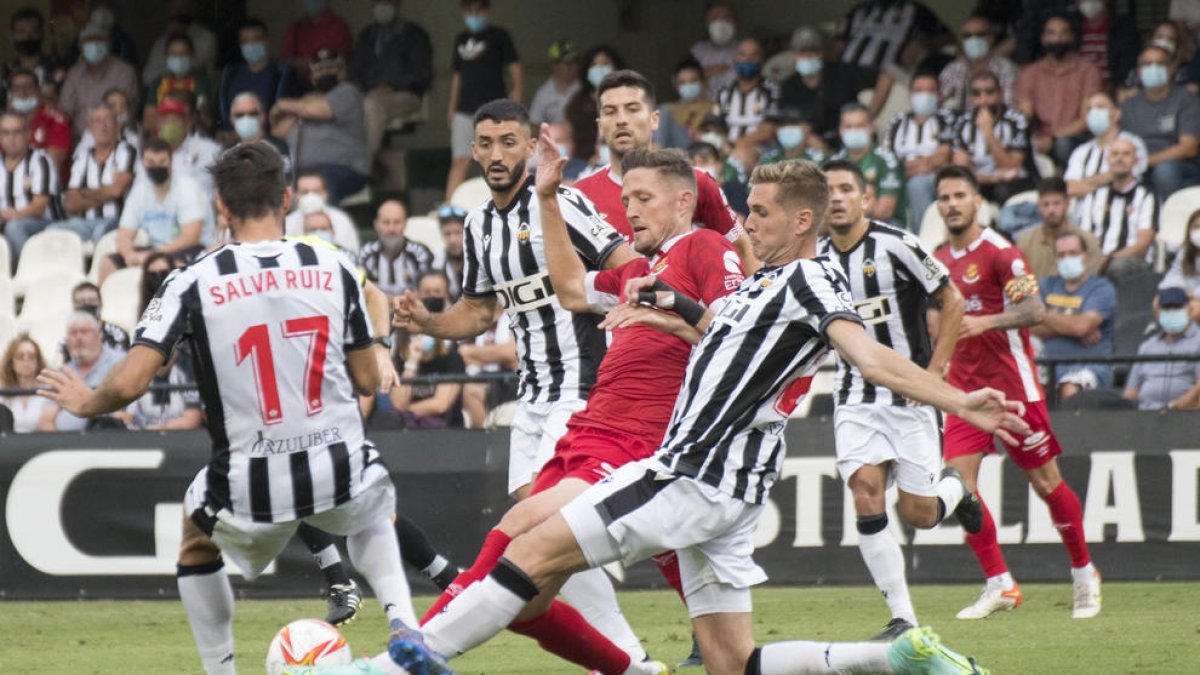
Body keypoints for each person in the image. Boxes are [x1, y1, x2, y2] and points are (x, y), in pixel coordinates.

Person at [392, 158, 1024, 675]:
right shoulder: (765, 282)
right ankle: (894, 661)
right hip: (727, 491)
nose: (746, 222)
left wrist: (959, 400)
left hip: (690, 471)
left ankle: (409, 661)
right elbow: (728, 333)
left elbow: (869, 355)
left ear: (803, 220)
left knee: (531, 548)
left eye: (761, 212)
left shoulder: (811, 281)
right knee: (730, 661)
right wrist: (673, 309)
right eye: (748, 208)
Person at [37, 142, 417, 675]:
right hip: (337, 458)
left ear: (220, 206)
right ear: (286, 197)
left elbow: (132, 381)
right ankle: (405, 624)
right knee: (368, 504)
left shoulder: (191, 281)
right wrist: (380, 340)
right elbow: (365, 379)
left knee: (195, 542)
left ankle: (221, 671)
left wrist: (88, 398)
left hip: (249, 477)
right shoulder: (332, 266)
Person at [392, 99, 656, 669]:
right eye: (485, 143)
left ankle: (430, 638)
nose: (495, 154)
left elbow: (628, 260)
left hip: (585, 390)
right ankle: (628, 660)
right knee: (546, 541)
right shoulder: (478, 223)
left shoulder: (562, 203)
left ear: (531, 147)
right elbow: (478, 314)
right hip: (532, 397)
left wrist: (635, 309)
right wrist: (429, 323)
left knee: (537, 528)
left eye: (508, 142)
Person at [818, 159, 979, 640]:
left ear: (865, 198)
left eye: (848, 188)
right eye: (829, 192)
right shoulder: (817, 262)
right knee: (865, 491)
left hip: (910, 399)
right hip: (853, 397)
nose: (839, 198)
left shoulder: (898, 244)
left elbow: (951, 298)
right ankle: (903, 618)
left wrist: (936, 371)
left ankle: (956, 491)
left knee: (920, 514)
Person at [932, 165, 1100, 621]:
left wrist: (985, 321)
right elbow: (936, 318)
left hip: (1013, 388)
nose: (951, 204)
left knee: (1046, 483)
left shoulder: (1002, 253)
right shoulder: (938, 259)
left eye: (959, 196)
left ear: (976, 201)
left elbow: (1034, 308)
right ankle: (999, 583)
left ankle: (1084, 572)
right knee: (960, 487)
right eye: (944, 197)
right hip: (964, 393)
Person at [572, 70, 752, 266]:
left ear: (654, 119)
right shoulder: (579, 197)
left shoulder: (696, 182)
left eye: (632, 109)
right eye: (610, 111)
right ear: (600, 126)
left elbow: (743, 249)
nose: (621, 120)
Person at [99, 138, 209, 282]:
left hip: (187, 249)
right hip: (151, 250)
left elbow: (191, 236)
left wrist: (154, 254)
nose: (156, 166)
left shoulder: (187, 188)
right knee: (108, 263)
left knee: (161, 265)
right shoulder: (139, 191)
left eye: (162, 161)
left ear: (171, 162)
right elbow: (124, 234)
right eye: (151, 162)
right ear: (143, 163)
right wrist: (128, 255)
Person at [446, 0, 522, 202]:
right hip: (464, 109)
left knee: (495, 156)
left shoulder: (499, 36)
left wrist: (517, 97)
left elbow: (515, 69)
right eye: (469, 10)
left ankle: (504, 200)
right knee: (460, 160)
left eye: (478, 10)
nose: (473, 14)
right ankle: (448, 207)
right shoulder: (460, 39)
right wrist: (452, 108)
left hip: (493, 111)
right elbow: (457, 76)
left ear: (487, 10)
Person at [271, 48, 369, 205]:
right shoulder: (305, 103)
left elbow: (322, 110)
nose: (325, 72)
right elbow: (279, 130)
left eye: (330, 67)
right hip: (302, 172)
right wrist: (299, 108)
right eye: (319, 70)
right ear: (313, 77)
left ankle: (325, 228)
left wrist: (283, 104)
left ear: (343, 72)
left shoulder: (348, 92)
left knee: (320, 184)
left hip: (343, 169)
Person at [1030, 231, 1117, 401]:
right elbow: (1028, 326)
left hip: (1090, 367)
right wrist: (1069, 326)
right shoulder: (1047, 284)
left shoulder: (1101, 288)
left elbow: (1081, 326)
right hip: (1046, 366)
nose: (1067, 259)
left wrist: (1044, 316)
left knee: (1070, 387)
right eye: (1061, 255)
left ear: (1085, 256)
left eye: (1073, 253)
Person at [778, 26, 891, 145]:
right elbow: (789, 122)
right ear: (793, 55)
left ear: (822, 53)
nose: (807, 56)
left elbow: (885, 78)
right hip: (811, 144)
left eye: (812, 51)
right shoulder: (789, 86)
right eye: (802, 52)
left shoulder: (842, 73)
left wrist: (870, 114)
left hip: (849, 139)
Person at [350, 0, 433, 161]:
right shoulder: (366, 36)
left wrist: (390, 86)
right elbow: (354, 71)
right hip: (368, 94)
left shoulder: (414, 34)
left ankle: (362, 167)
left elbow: (422, 74)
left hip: (405, 95)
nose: (382, 6)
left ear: (396, 4)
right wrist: (361, 88)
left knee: (371, 106)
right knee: (345, 104)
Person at [1015, 14, 1102, 167]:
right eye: (1052, 33)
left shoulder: (1088, 71)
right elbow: (1025, 116)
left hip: (1075, 139)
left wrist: (1053, 138)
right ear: (1043, 38)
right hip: (1040, 139)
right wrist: (1036, 138)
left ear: (1072, 37)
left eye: (1063, 33)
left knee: (1063, 144)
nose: (1057, 39)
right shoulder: (1030, 73)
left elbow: (1086, 120)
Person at [383, 271, 466, 430]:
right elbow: (398, 403)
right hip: (411, 433)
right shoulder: (403, 357)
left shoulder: (452, 357)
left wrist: (406, 413)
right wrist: (411, 363)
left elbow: (440, 405)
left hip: (447, 434)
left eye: (437, 293)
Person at [1120, 45, 1200, 202]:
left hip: (1179, 167)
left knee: (1165, 170)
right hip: (1139, 166)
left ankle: (1169, 221)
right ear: (1139, 71)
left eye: (1159, 63)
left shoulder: (1186, 100)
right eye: (1147, 64)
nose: (1153, 68)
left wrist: (1147, 161)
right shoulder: (1129, 105)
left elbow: (1188, 147)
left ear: (1170, 69)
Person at [48, 104, 135, 244]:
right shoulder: (82, 157)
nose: (103, 126)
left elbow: (117, 191)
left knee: (100, 234)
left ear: (117, 126)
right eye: (98, 121)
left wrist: (84, 192)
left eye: (108, 120)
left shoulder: (127, 151)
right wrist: (107, 193)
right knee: (52, 231)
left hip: (118, 220)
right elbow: (71, 203)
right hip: (86, 223)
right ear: (90, 128)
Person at [949, 70, 1035, 204]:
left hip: (1016, 183)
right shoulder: (962, 123)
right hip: (980, 182)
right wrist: (990, 179)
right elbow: (962, 171)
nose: (983, 99)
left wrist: (988, 133)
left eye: (989, 92)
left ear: (1000, 94)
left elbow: (1009, 166)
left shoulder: (1017, 121)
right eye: (977, 94)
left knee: (1001, 191)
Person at [1076, 137, 1157, 278]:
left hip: (1131, 262)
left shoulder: (1146, 197)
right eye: (1115, 154)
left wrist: (1108, 259)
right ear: (1108, 160)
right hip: (1096, 260)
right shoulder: (1094, 196)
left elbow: (1142, 245)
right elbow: (1084, 238)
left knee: (1116, 268)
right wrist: (1095, 260)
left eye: (1126, 154)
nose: (1119, 158)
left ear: (1135, 160)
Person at [884, 71, 955, 228]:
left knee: (917, 185)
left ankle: (922, 240)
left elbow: (943, 157)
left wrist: (910, 166)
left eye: (930, 90)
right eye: (919, 90)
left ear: (939, 95)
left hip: (936, 178)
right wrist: (924, 163)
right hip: (901, 177)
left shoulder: (947, 117)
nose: (924, 95)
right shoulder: (897, 122)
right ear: (910, 94)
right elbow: (888, 160)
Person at [38, 311, 124, 432]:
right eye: (73, 333)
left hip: (108, 439)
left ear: (98, 335)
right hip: (66, 445)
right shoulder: (62, 373)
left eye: (84, 332)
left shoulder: (120, 363)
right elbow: (45, 421)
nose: (78, 337)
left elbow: (126, 415)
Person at [1063, 92, 1149, 209]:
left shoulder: (1133, 143)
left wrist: (1084, 184)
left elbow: (1125, 175)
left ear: (1116, 114)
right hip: (1083, 218)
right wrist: (1104, 182)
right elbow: (1069, 188)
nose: (1094, 112)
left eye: (1100, 107)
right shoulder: (1081, 151)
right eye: (1089, 109)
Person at [217, 18, 301, 136]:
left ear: (266, 41)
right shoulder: (230, 74)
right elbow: (222, 113)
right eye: (245, 41)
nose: (250, 45)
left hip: (271, 141)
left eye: (256, 39)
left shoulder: (282, 73)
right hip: (233, 142)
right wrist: (225, 131)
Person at [1123, 286, 1200, 410]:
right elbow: (1131, 392)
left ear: (1189, 309)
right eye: (1167, 308)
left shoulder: (1198, 342)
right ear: (1157, 313)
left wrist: (1172, 407)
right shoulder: (1147, 346)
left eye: (1177, 307)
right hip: (1144, 416)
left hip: (1185, 417)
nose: (1172, 312)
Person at [831, 103, 907, 226]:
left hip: (885, 226)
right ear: (840, 130)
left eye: (860, 126)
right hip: (844, 226)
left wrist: (844, 204)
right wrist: (866, 197)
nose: (854, 131)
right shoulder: (834, 163)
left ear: (871, 127)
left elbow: (884, 211)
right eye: (848, 127)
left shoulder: (887, 160)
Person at [59, 21, 139, 136]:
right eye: (89, 41)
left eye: (99, 40)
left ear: (109, 44)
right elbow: (65, 110)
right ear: (80, 47)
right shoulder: (75, 73)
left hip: (116, 138)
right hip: (79, 140)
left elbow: (121, 110)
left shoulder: (124, 71)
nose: (94, 45)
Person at [0, 110, 58, 264]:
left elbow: (39, 206)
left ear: (27, 134)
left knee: (14, 228)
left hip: (41, 224)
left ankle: (28, 270)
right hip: (6, 221)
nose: (11, 138)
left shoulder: (41, 161)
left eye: (16, 132)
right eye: (6, 133)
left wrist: (15, 215)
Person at [1016, 178, 1103, 279]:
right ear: (1038, 207)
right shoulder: (1025, 242)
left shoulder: (1087, 241)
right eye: (1045, 204)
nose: (1051, 210)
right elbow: (1019, 281)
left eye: (1056, 204)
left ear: (1067, 204)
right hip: (1036, 294)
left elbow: (1092, 281)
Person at [839, 0, 950, 70]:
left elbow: (949, 38)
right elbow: (839, 42)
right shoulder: (860, 10)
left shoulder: (917, 10)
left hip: (882, 73)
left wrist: (923, 43)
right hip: (846, 69)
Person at [939, 15, 1018, 114]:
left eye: (980, 35)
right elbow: (939, 101)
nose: (973, 39)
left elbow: (1009, 106)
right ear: (961, 41)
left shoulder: (1006, 68)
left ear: (991, 38)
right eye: (967, 36)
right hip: (961, 126)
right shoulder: (953, 69)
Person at [358, 200, 434, 298]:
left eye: (397, 222)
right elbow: (359, 289)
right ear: (376, 225)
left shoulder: (420, 253)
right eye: (386, 222)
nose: (391, 228)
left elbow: (428, 291)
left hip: (412, 310)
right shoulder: (366, 253)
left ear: (405, 224)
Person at [143, 33, 213, 134]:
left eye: (183, 54)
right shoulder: (158, 83)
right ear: (166, 56)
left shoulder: (200, 83)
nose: (178, 58)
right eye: (174, 54)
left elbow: (206, 120)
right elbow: (148, 123)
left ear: (191, 55)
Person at [713, 37, 778, 145]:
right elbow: (715, 125)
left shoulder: (772, 90)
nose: (747, 59)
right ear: (735, 58)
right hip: (725, 149)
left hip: (761, 150)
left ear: (761, 59)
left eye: (754, 55)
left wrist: (739, 145)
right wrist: (726, 147)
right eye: (742, 54)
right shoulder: (722, 91)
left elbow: (769, 131)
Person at [6, 68, 70, 172]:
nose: (23, 93)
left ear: (38, 91)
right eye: (17, 88)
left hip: (46, 184)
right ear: (10, 95)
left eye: (28, 87)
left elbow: (51, 164)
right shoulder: (5, 123)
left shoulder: (56, 119)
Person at [141, 2, 218, 88]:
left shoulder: (207, 38)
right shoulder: (160, 43)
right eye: (174, 8)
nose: (178, 12)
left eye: (183, 8)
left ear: (190, 9)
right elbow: (147, 78)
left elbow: (199, 69)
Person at [284, 172, 358, 252]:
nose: (311, 196)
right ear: (297, 195)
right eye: (305, 192)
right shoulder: (287, 223)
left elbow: (350, 252)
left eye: (316, 191)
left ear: (325, 194)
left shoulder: (341, 219)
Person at [282, 0, 354, 84]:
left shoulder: (339, 26)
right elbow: (286, 60)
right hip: (300, 85)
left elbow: (342, 59)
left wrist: (314, 64)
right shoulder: (296, 28)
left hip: (331, 84)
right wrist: (311, 63)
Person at [1076, 0, 1141, 89]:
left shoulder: (1124, 28)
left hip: (1114, 91)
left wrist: (1117, 87)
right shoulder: (1072, 29)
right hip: (1079, 89)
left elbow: (1129, 65)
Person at [59, 281, 130, 361]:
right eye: (81, 302)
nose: (87, 305)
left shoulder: (117, 335)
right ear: (74, 307)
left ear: (101, 304)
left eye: (92, 301)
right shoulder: (67, 342)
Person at [2, 7, 66, 92]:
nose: (28, 37)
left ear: (42, 34)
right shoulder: (5, 72)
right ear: (12, 37)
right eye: (21, 32)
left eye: (33, 31)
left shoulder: (57, 67)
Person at [654, 58, 711, 151]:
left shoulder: (713, 107)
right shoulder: (669, 109)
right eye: (682, 82)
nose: (688, 86)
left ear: (703, 81)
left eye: (692, 81)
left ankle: (653, 155)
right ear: (676, 86)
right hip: (675, 152)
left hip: (698, 150)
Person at [0, 334, 52, 433]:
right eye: (20, 356)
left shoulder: (48, 391)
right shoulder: (3, 393)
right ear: (11, 361)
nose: (26, 360)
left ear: (38, 360)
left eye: (31, 356)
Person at [1160, 209, 1200, 322]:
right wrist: (1171, 289)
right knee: (1160, 301)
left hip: (1195, 297)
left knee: (1194, 308)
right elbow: (1175, 273)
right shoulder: (1185, 250)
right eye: (1196, 227)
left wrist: (1194, 295)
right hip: (1186, 294)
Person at [528, 39, 580, 126]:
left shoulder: (586, 88)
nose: (572, 67)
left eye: (575, 62)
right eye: (568, 63)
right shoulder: (543, 93)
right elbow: (535, 124)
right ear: (554, 65)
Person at [690, 2, 738, 92]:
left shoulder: (744, 50)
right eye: (715, 18)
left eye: (727, 17)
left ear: (735, 22)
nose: (720, 23)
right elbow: (681, 79)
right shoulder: (698, 50)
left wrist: (704, 74)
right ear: (707, 23)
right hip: (702, 104)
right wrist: (704, 73)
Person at [435, 204, 468, 300]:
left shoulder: (479, 258)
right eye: (447, 234)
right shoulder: (437, 258)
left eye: (458, 233)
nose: (452, 240)